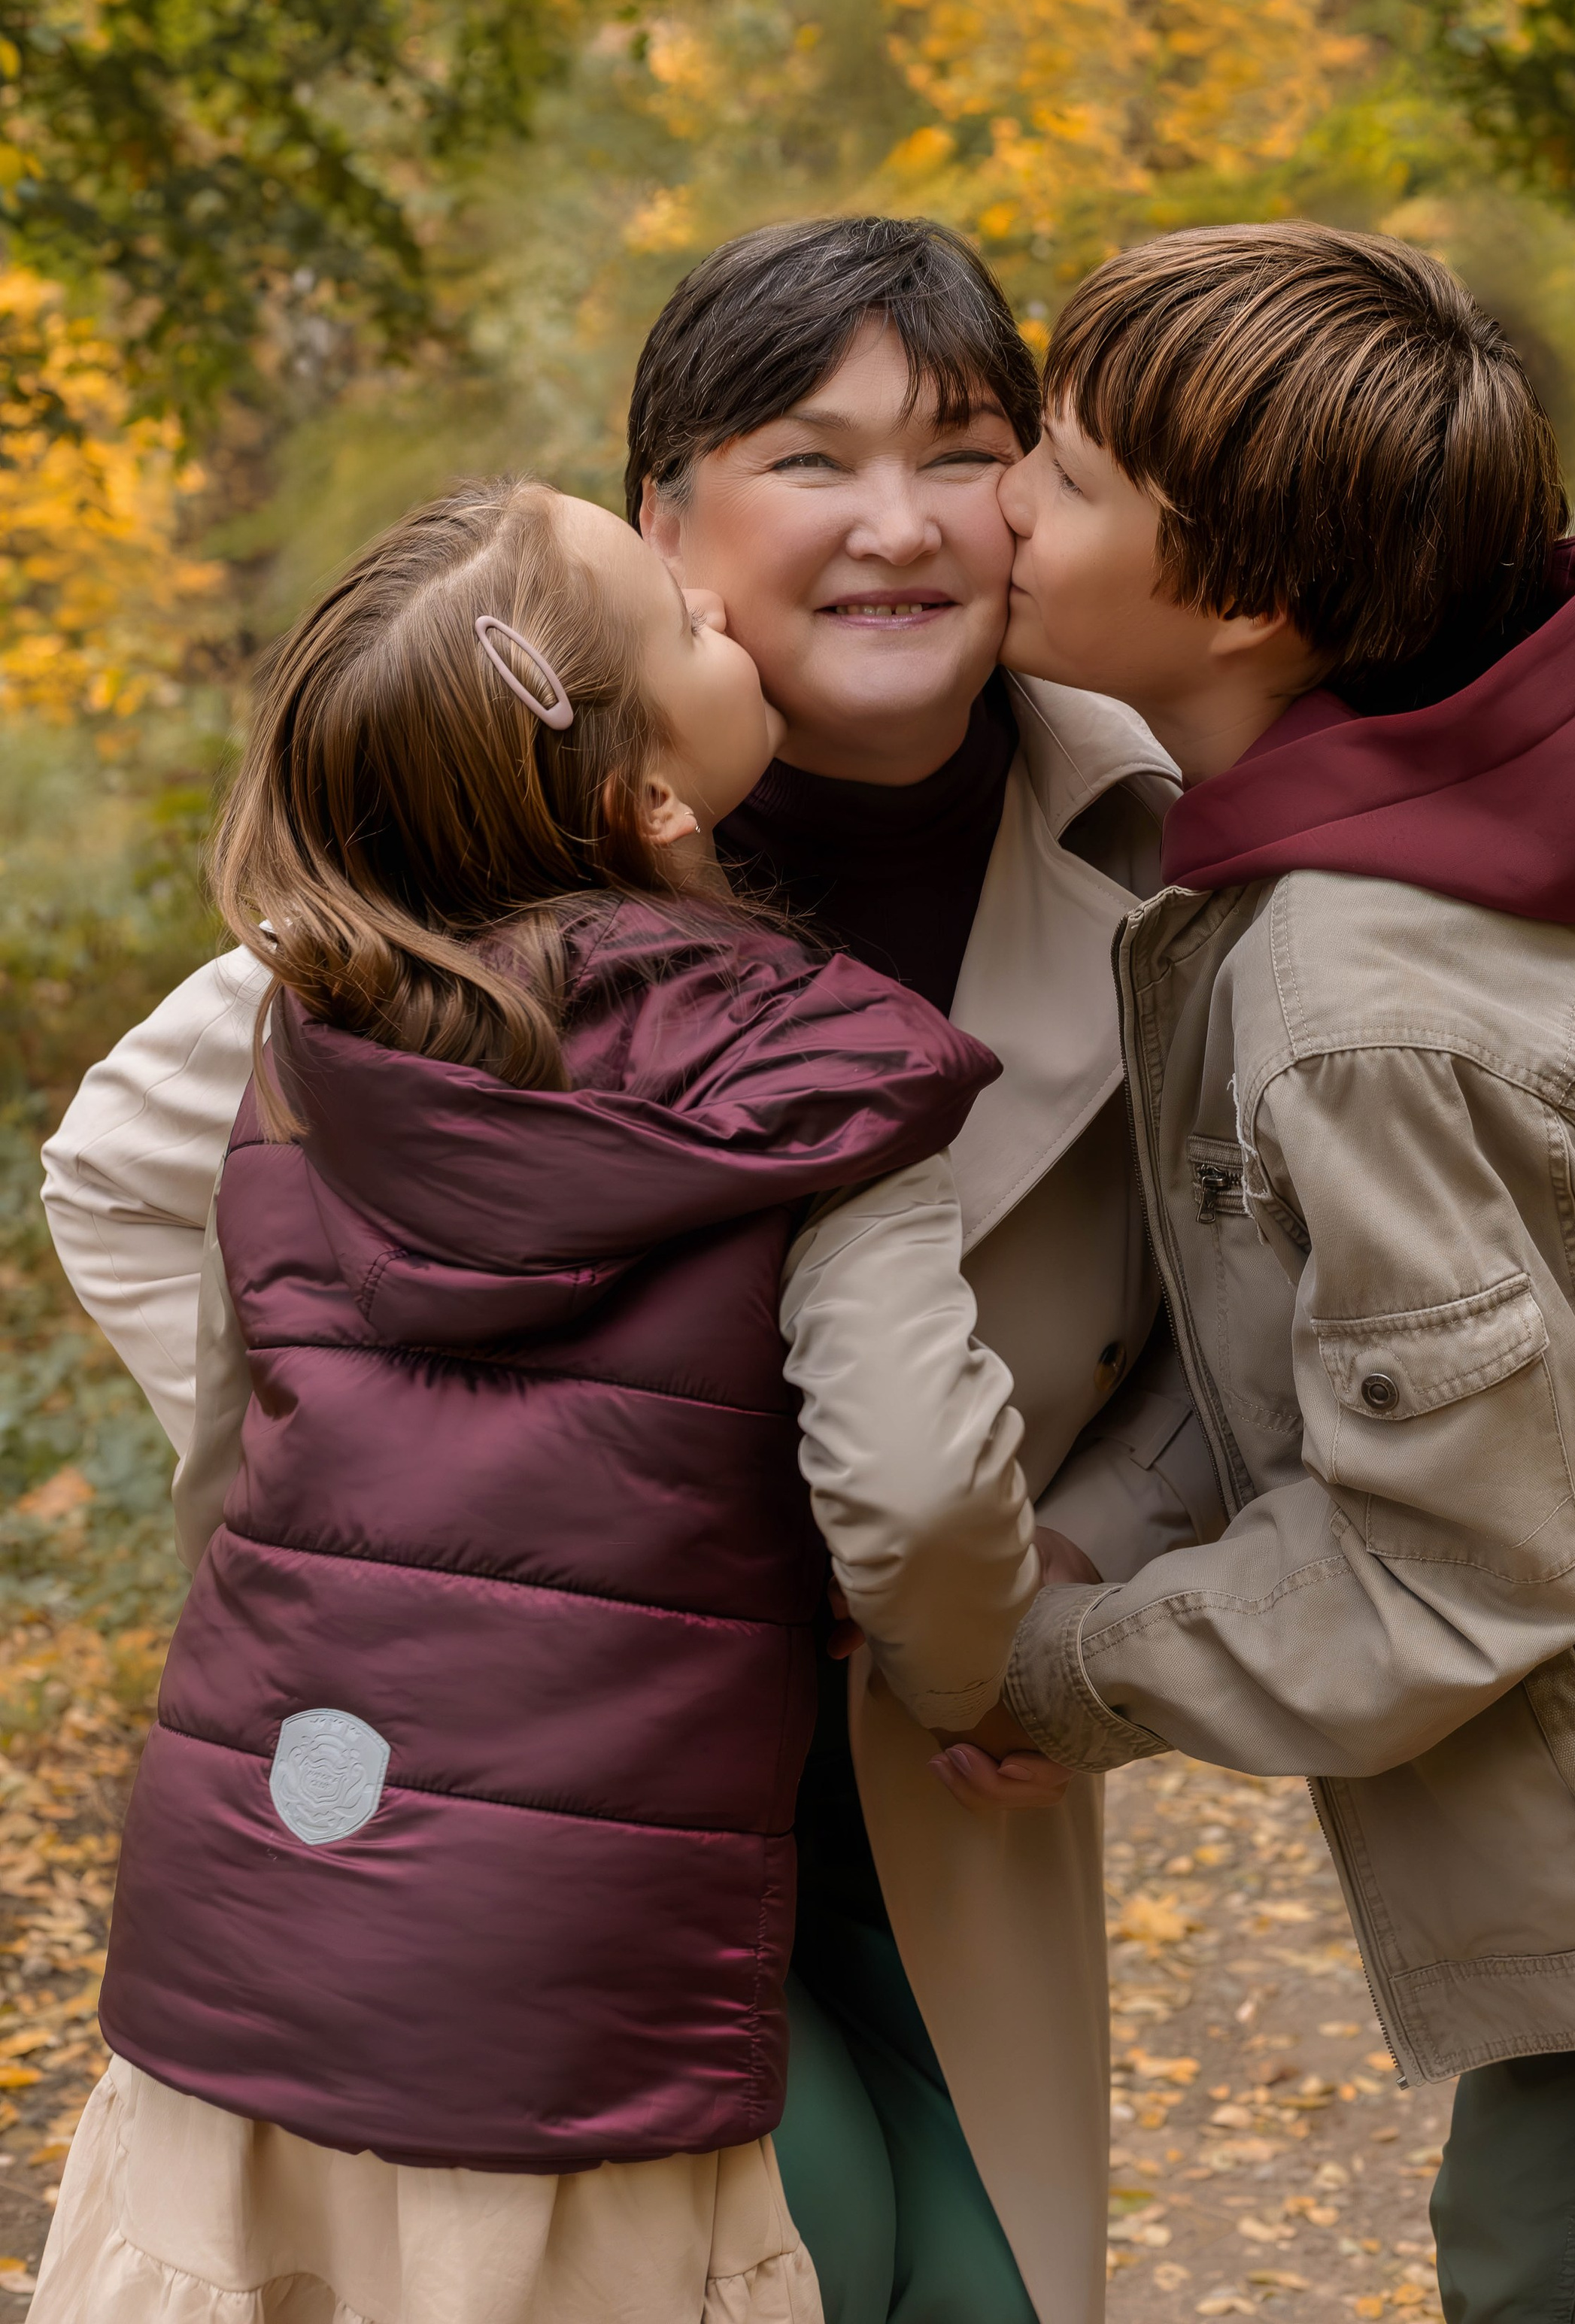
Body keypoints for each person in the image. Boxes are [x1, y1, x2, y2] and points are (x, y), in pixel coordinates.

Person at [41, 218, 1220, 2324]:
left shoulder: (1167, 842)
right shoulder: (468, 857)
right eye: (808, 457)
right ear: (668, 522)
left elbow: (1243, 1322)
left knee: (980, 2283)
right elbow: (132, 1164)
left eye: (960, 450)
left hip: (926, 1772)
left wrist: (1061, 1589)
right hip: (524, 1784)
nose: (895, 524)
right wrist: (389, 1514)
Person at [972, 215, 1575, 2324]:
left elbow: (1460, 1557)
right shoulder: (1465, 811)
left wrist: (1061, 1666)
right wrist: (1100, 1531)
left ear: (1251, 596)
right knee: (1522, 2274)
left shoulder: (1371, 994)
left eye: (1058, 468)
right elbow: (1315, 1324)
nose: (996, 504)